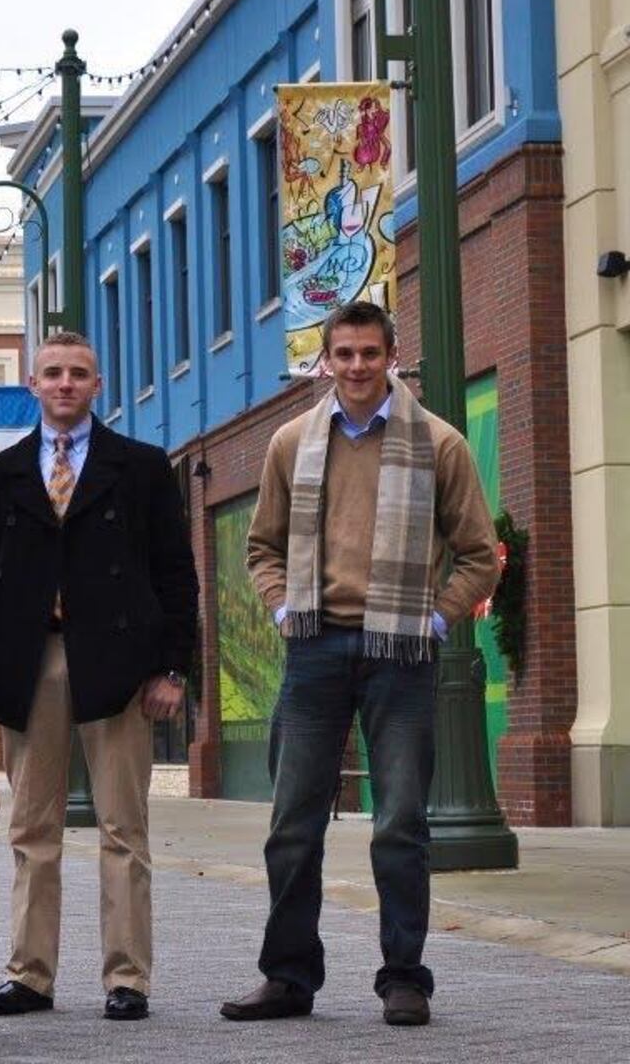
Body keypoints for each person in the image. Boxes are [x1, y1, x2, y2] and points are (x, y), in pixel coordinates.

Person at [221, 301, 499, 1028]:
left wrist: (433, 619)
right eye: (342, 354)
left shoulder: (438, 444)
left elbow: (477, 553)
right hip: (313, 650)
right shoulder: (290, 443)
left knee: (401, 822)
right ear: (326, 360)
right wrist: (284, 610)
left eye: (368, 354)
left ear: (392, 355)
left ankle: (404, 977)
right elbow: (262, 547)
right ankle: (287, 978)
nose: (355, 367)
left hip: (400, 657)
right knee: (292, 825)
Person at [0, 329, 198, 1021]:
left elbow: (175, 575)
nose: (65, 384)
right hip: (31, 662)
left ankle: (128, 980)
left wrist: (172, 668)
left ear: (99, 386)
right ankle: (29, 976)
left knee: (124, 828)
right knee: (32, 829)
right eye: (53, 373)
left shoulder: (143, 467)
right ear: (32, 386)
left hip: (120, 665)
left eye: (79, 373)